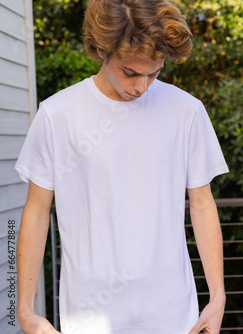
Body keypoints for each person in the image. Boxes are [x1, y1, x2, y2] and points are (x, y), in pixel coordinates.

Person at [15, 0, 228, 333]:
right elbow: (37, 211)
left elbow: (202, 204)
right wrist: (24, 310)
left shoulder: (187, 111)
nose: (142, 86)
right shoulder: (57, 114)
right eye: (130, 72)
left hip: (174, 313)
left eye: (154, 73)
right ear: (101, 50)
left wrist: (217, 298)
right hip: (90, 316)